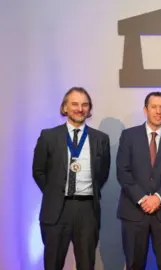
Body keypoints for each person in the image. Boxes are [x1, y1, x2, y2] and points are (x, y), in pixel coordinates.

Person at [32, 87, 111, 270]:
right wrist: (54, 192)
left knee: (86, 264)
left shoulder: (101, 139)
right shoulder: (48, 136)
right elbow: (38, 171)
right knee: (53, 264)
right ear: (65, 107)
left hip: (87, 210)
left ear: (89, 109)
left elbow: (103, 174)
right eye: (74, 104)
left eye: (85, 104)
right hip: (57, 210)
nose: (80, 108)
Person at [116, 91, 161, 269]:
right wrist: (142, 198)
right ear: (145, 109)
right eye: (154, 107)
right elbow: (123, 172)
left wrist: (157, 198)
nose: (158, 111)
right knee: (134, 265)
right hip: (133, 211)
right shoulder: (128, 136)